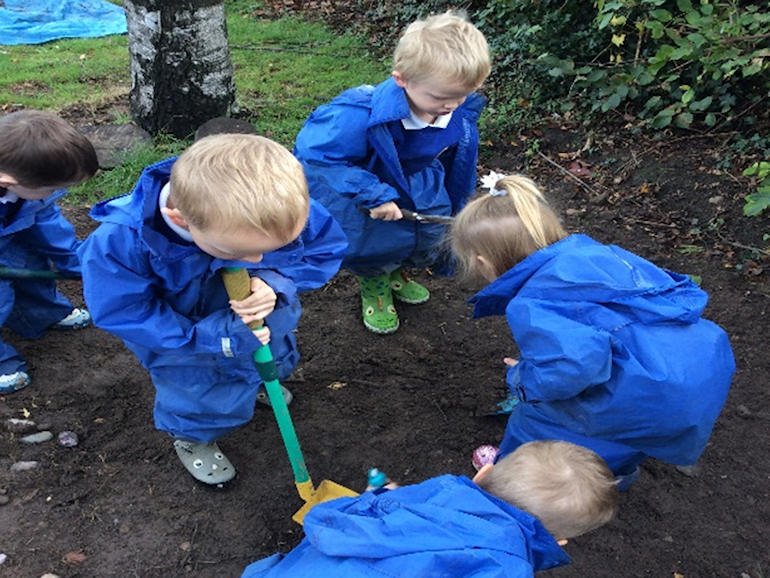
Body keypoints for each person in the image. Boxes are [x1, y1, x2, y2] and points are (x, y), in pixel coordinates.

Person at [78, 134, 347, 485]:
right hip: (188, 343)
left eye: (271, 250)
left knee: (272, 354)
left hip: (263, 320)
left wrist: (276, 280)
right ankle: (195, 436)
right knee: (200, 392)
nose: (254, 262)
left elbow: (324, 248)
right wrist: (211, 339)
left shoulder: (279, 207)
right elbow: (124, 310)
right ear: (181, 219)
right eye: (237, 253)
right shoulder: (119, 243)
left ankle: (259, 383)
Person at [450, 173, 736, 489]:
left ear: (484, 262)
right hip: (690, 371)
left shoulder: (531, 303)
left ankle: (513, 479)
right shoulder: (599, 255)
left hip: (643, 395)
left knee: (537, 421)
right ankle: (613, 477)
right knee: (624, 438)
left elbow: (573, 367)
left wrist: (522, 378)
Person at [294, 10, 490, 334]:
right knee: (375, 242)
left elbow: (456, 153)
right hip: (371, 187)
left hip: (422, 183)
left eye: (461, 95)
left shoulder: (453, 107)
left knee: (423, 233)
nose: (451, 106)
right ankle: (375, 283)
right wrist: (372, 194)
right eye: (441, 97)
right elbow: (318, 154)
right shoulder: (358, 115)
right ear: (402, 79)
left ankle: (398, 272)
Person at [241, 440, 619, 577]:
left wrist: (383, 497)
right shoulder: (508, 568)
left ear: (483, 473)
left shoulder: (442, 489)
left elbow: (376, 509)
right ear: (561, 541)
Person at [0, 110, 98, 394]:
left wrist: (79, 264)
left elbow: (48, 224)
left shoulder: (26, 184)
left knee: (31, 267)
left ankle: (42, 314)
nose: (58, 191)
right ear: (7, 181)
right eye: (53, 187)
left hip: (9, 234)